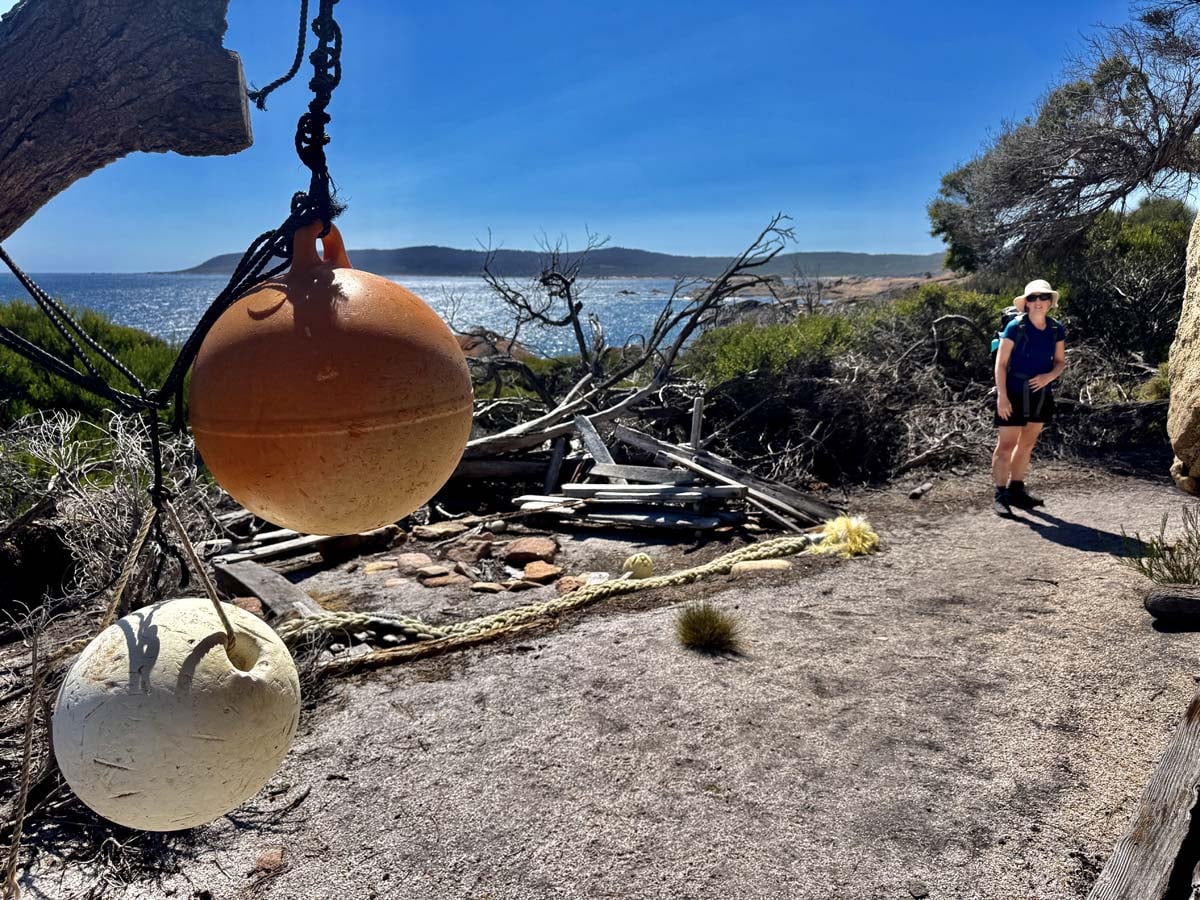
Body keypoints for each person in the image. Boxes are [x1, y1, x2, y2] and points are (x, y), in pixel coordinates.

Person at [992, 279, 1067, 516]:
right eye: (1033, 298)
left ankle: (1016, 490)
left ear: (1050, 302)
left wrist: (1049, 377)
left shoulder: (1056, 329)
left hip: (1040, 393)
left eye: (1043, 297)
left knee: (1027, 444)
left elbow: (1060, 362)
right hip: (1013, 392)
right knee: (1006, 446)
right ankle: (1000, 493)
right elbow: (1001, 364)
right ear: (1026, 303)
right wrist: (1002, 397)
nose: (1038, 302)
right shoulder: (1015, 327)